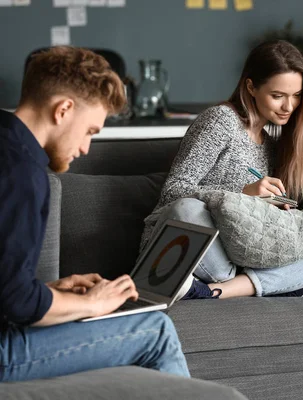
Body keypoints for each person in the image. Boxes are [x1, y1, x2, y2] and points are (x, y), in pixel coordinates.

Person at [0, 46, 191, 381]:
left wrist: (53, 290)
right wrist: (92, 305)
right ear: (63, 110)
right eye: (89, 131)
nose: (86, 148)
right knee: (156, 331)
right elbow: (16, 303)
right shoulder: (23, 174)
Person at [140, 40, 303, 301]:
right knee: (187, 209)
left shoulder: (272, 145)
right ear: (251, 87)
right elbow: (173, 191)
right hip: (194, 248)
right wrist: (241, 194)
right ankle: (271, 285)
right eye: (278, 96)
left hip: (240, 253)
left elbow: (254, 224)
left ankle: (221, 291)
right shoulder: (220, 121)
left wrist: (286, 212)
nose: (288, 107)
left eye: (296, 96)